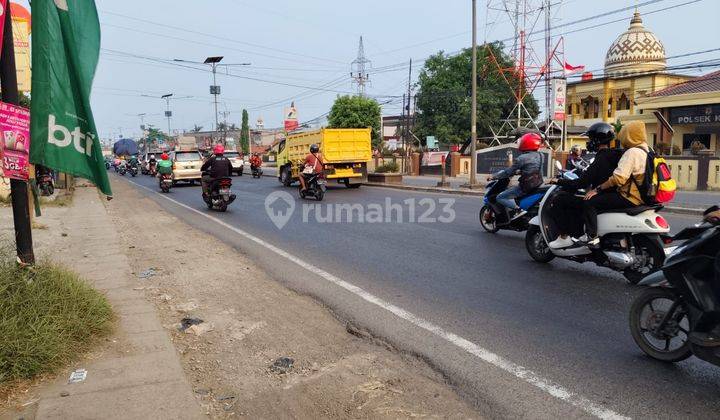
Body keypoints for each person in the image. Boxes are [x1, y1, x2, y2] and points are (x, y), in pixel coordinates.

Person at [547, 122, 623, 249]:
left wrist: (557, 181)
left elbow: (581, 183)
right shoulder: (616, 155)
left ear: (596, 140)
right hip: (616, 196)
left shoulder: (601, 159)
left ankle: (564, 237)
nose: (588, 142)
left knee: (560, 200)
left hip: (603, 196)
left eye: (590, 139)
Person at [580, 120, 649, 247]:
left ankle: (591, 236)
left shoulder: (632, 152)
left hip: (630, 197)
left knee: (589, 201)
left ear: (629, 136)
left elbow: (618, 178)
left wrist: (597, 189)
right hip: (644, 197)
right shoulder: (647, 150)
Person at [487, 132, 544, 220]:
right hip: (538, 184)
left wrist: (493, 177)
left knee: (500, 197)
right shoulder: (541, 155)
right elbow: (532, 169)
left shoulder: (521, 158)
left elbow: (508, 173)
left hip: (525, 187)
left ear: (526, 143)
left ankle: (518, 210)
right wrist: (520, 171)